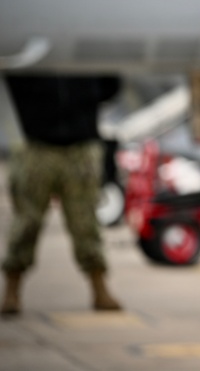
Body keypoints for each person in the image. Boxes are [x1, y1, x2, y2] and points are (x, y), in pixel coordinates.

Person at [2, 74, 123, 315]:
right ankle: (11, 290)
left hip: (81, 143)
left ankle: (99, 288)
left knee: (86, 223)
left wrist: (85, 93)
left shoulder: (83, 51)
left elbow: (111, 82)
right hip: (36, 144)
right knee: (26, 222)